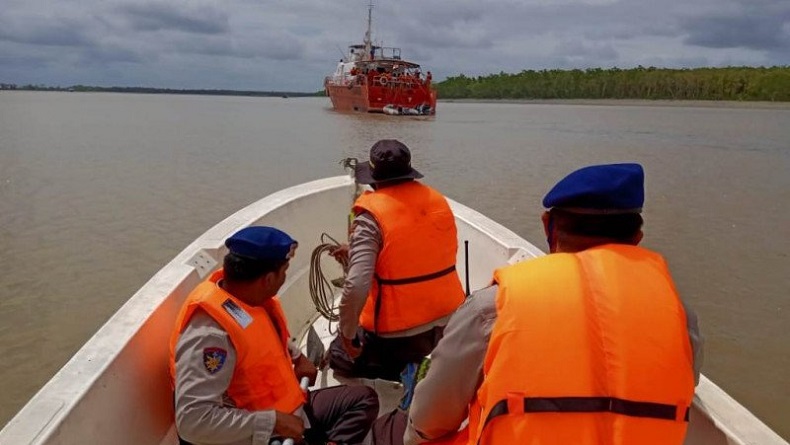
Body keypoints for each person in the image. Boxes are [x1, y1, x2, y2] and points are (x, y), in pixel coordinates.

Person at [393, 163, 704, 445]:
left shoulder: (494, 306)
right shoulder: (679, 315)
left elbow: (430, 420)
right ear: (637, 237)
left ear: (548, 227)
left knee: (396, 429)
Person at [169, 226, 379, 445]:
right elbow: (192, 421)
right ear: (269, 279)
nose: (284, 278)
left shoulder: (245, 296)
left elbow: (258, 336)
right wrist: (273, 422)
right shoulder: (211, 336)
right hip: (256, 434)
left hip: (287, 409)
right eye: (284, 271)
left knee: (363, 400)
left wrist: (297, 357)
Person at [328, 139, 466, 383]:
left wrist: (347, 335)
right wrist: (357, 250)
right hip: (447, 322)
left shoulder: (370, 218)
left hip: (398, 336)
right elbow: (411, 248)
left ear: (373, 179)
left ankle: (398, 375)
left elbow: (357, 285)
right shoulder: (436, 201)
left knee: (338, 355)